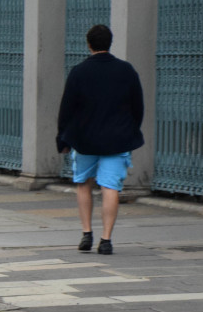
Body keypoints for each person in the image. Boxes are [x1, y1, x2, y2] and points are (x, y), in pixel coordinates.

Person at [57, 24, 145, 256]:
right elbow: (138, 106)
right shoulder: (126, 70)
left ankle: (87, 233)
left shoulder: (79, 72)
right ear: (110, 43)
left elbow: (67, 108)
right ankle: (106, 239)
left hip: (85, 140)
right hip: (117, 140)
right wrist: (131, 129)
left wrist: (63, 139)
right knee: (110, 187)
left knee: (83, 183)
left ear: (89, 44)